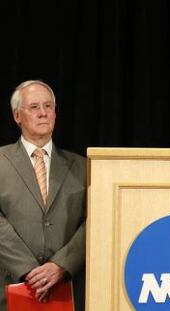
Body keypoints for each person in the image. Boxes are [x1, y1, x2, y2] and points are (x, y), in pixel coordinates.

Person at [0, 80, 86, 310]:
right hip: (10, 287)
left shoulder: (82, 167)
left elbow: (94, 222)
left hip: (69, 289)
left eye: (48, 106)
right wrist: (29, 269)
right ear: (17, 115)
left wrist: (61, 264)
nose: (43, 113)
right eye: (34, 107)